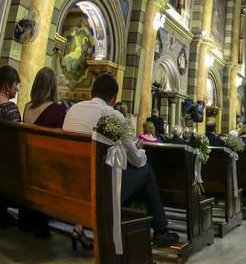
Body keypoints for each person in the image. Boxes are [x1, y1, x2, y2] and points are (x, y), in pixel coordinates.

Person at [63, 73, 179, 247]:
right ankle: (161, 231)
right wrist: (140, 151)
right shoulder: (114, 116)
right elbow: (137, 161)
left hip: (72, 184)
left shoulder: (73, 110)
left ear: (91, 92)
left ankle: (126, 222)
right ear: (113, 98)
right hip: (100, 191)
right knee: (145, 171)